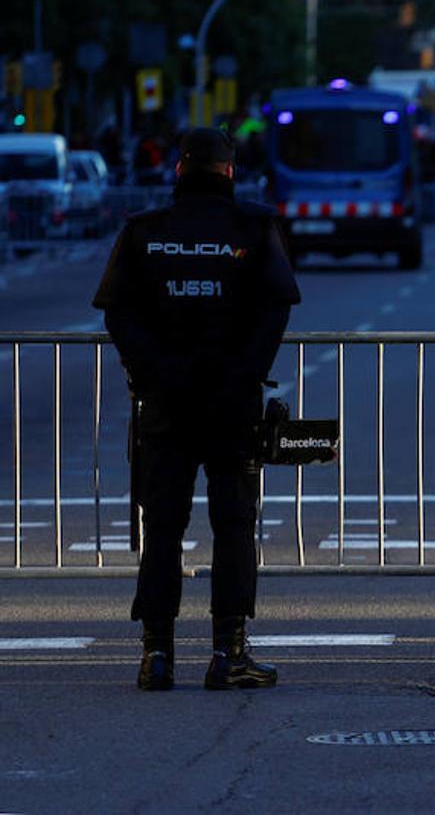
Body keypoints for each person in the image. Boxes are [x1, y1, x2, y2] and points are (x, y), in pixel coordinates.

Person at [92, 127, 300, 691]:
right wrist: (242, 373)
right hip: (232, 406)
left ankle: (156, 654)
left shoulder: (145, 231)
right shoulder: (255, 229)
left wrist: (157, 371)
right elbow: (276, 307)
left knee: (163, 526)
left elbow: (116, 312)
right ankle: (228, 653)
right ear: (230, 172)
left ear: (179, 170)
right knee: (233, 526)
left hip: (164, 404)